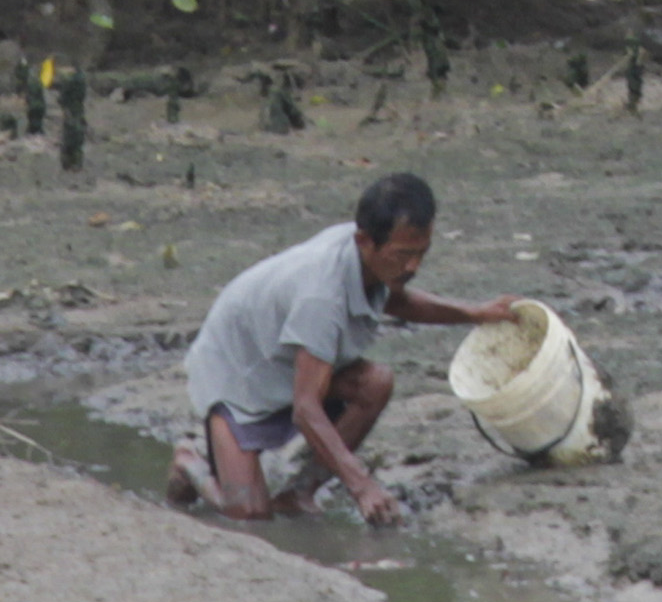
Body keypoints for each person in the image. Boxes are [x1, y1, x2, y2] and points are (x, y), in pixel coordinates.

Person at [168, 172, 520, 525]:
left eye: (421, 253)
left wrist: (475, 313)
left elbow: (397, 299)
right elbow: (305, 409)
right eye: (403, 255)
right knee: (249, 514)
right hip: (238, 373)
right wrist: (362, 486)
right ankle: (191, 467)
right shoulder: (322, 296)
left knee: (376, 382)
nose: (412, 266)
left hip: (286, 361)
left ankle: (299, 492)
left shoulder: (370, 257)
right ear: (365, 241)